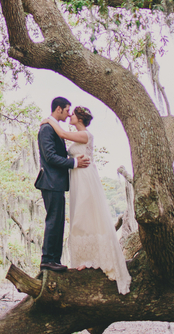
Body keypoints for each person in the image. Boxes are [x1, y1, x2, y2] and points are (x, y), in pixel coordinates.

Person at [45, 105, 131, 294]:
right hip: (77, 177)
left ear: (80, 119)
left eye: (73, 114)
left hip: (85, 178)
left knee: (87, 213)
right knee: (80, 216)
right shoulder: (79, 134)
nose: (70, 116)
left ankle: (98, 258)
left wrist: (49, 120)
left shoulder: (85, 135)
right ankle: (84, 259)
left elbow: (61, 133)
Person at [35, 96, 90, 272]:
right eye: (67, 110)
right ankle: (47, 260)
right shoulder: (46, 129)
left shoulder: (53, 128)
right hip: (50, 182)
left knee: (59, 222)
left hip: (57, 183)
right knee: (53, 221)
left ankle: (54, 260)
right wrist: (74, 163)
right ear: (58, 109)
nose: (68, 115)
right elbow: (50, 157)